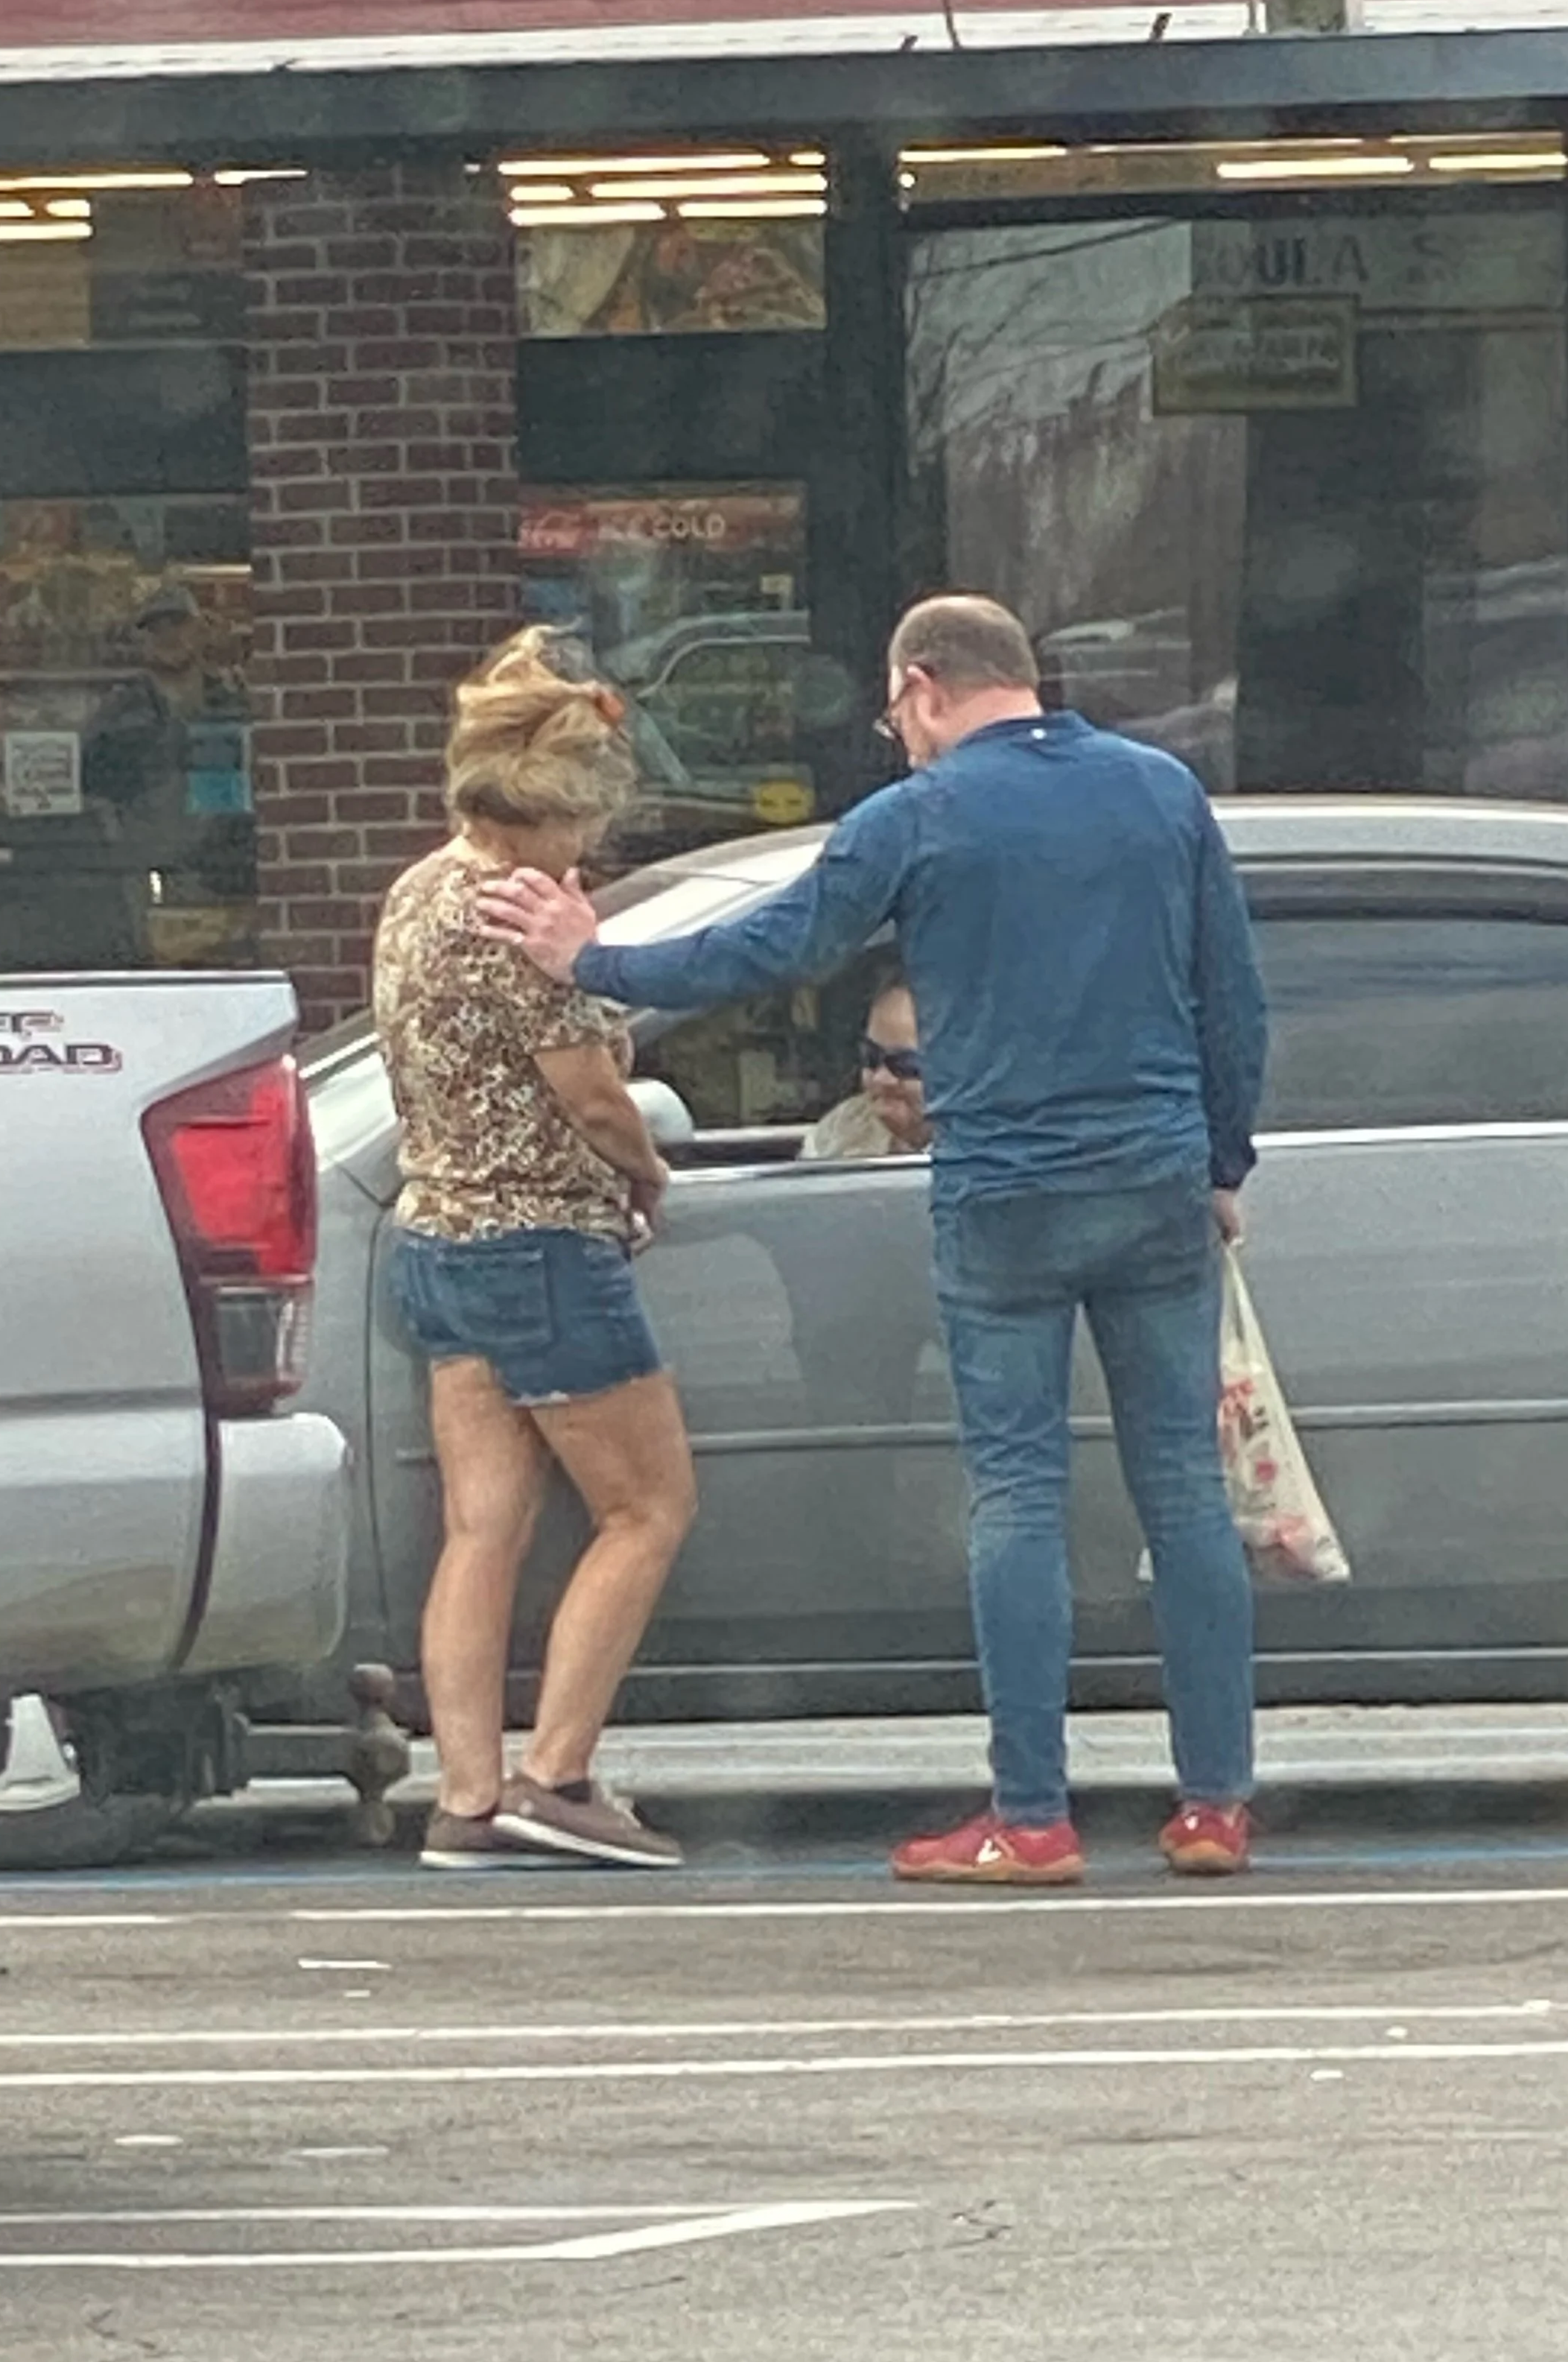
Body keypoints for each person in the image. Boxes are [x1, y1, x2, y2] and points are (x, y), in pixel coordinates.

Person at [482, 594, 1268, 1887]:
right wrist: (1221, 1160)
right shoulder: (1161, 793)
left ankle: (1032, 1816)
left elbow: (771, 945)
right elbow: (1230, 995)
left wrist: (592, 958)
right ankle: (1215, 1807)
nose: (897, 734)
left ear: (922, 686)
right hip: (1152, 1176)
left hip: (1005, 1186)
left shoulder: (921, 814)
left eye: (896, 712)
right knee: (1182, 1486)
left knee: (1016, 1491)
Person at [374, 627, 698, 1872]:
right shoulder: (523, 913)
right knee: (648, 1505)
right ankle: (557, 1773)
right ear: (552, 809)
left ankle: (463, 1795)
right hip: (541, 1243)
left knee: (482, 1526)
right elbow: (595, 1094)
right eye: (587, 826)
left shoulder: (418, 891)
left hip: (439, 1237)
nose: (594, 853)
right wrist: (649, 1167)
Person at [83, 581, 251, 957]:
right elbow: (90, 789)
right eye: (155, 628)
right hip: (148, 869)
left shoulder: (232, 703)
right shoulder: (118, 713)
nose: (168, 636)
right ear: (140, 640)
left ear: (199, 630)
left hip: (225, 870)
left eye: (177, 624)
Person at [802, 973, 930, 1160]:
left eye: (905, 1064)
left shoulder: (981, 1155)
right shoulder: (840, 1131)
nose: (881, 1078)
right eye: (871, 1056)